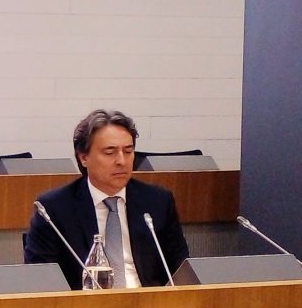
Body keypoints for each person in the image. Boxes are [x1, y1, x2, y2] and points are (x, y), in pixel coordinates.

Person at [24, 109, 189, 289]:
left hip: (148, 300)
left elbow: (182, 270)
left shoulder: (157, 201)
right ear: (84, 158)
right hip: (85, 303)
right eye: (110, 152)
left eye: (128, 151)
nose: (121, 161)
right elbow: (41, 280)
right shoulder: (53, 209)